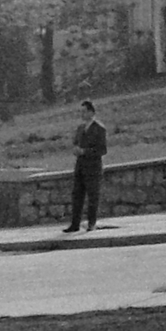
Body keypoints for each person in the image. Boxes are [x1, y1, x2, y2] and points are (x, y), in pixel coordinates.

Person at [63, 99, 108, 233]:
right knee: (77, 195)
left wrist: (85, 151)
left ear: (91, 112)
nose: (82, 114)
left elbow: (102, 150)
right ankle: (74, 224)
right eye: (80, 111)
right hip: (80, 166)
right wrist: (76, 149)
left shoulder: (99, 128)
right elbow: (76, 142)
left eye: (84, 111)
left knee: (93, 196)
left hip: (93, 167)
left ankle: (91, 223)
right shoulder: (80, 128)